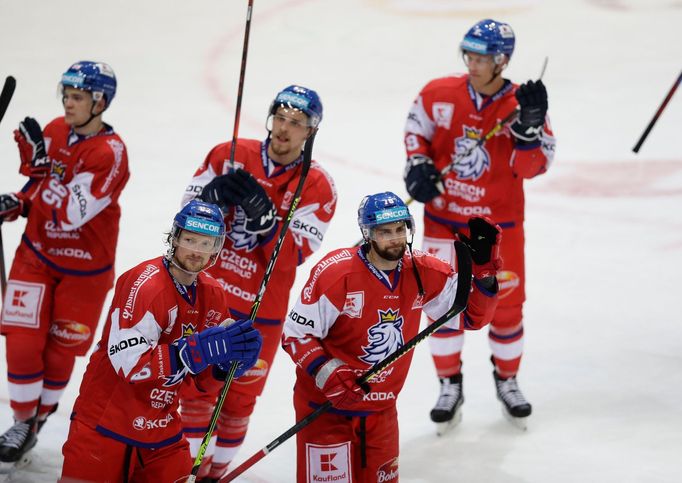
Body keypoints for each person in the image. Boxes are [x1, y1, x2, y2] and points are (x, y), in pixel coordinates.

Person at [281, 191, 500, 482]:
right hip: (326, 409)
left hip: (380, 411)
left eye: (400, 229)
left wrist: (484, 276)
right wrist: (329, 374)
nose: (395, 238)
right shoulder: (337, 274)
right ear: (368, 234)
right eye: (385, 232)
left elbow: (471, 317)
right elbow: (296, 334)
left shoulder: (423, 271)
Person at [402, 19, 556, 430]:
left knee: (505, 307)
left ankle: (508, 380)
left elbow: (534, 166)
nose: (472, 63)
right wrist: (417, 163)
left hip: (499, 225)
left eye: (482, 57)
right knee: (442, 306)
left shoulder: (521, 105)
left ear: (501, 60)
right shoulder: (439, 93)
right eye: (468, 54)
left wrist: (529, 129)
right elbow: (416, 128)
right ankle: (449, 384)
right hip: (442, 221)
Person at [179, 84, 337, 480]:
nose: (284, 129)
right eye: (280, 118)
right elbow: (183, 218)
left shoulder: (318, 186)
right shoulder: (229, 155)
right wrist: (208, 203)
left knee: (238, 403)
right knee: (198, 394)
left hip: (258, 312)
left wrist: (268, 226)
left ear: (310, 132)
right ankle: (188, 474)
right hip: (207, 299)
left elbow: (292, 260)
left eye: (296, 123)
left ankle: (214, 474)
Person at [59, 200, 263, 482]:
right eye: (190, 240)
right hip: (106, 424)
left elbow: (202, 381)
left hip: (160, 428)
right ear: (175, 238)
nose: (196, 251)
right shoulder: (145, 284)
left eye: (205, 244)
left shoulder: (213, 295)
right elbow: (128, 364)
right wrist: (192, 351)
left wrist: (226, 367)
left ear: (216, 249)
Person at [0, 60, 130, 468]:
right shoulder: (55, 131)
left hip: (85, 271)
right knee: (22, 342)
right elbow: (38, 187)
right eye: (66, 95)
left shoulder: (111, 153)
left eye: (77, 97)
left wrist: (43, 174)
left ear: (100, 102)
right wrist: (18, 201)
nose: (68, 104)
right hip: (37, 256)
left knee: (60, 353)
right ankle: (21, 423)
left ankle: (37, 421)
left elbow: (74, 212)